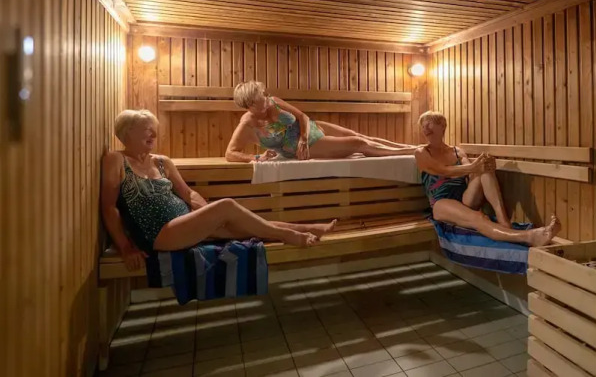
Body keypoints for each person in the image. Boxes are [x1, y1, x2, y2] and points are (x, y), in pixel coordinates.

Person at [101, 109, 337, 271]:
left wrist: (206, 212)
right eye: (146, 129)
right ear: (126, 132)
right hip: (159, 233)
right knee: (226, 206)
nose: (153, 134)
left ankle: (308, 228)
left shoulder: (162, 162)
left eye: (154, 129)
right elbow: (109, 207)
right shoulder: (117, 160)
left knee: (243, 225)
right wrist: (126, 247)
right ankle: (288, 235)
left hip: (186, 222)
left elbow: (188, 194)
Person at [414, 111, 560, 246]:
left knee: (485, 170)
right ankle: (529, 237)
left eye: (429, 123)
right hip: (441, 203)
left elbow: (471, 172)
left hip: (464, 198)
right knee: (479, 218)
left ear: (442, 125)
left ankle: (504, 221)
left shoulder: (457, 152)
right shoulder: (421, 152)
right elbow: (442, 170)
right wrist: (474, 167)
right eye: (423, 126)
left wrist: (484, 164)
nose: (425, 128)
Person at [225, 81, 416, 162]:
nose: (267, 102)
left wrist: (303, 137)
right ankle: (409, 153)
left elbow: (302, 117)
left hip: (310, 130)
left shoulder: (273, 101)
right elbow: (230, 153)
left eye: (265, 97)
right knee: (359, 143)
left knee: (360, 135)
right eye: (262, 101)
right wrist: (256, 158)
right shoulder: (247, 125)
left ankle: (409, 147)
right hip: (306, 148)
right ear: (250, 105)